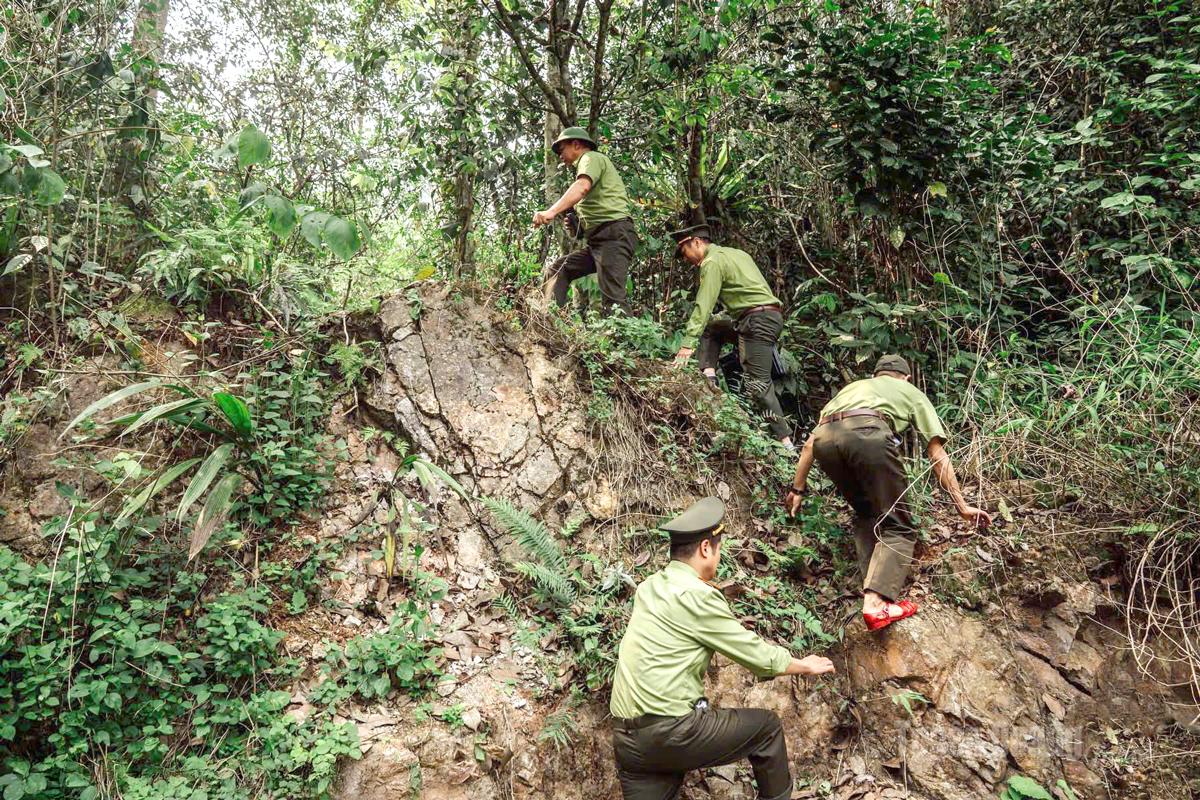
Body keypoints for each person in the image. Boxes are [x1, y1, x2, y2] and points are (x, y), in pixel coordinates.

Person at [610, 497, 835, 800]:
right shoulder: (698, 595)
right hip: (671, 733)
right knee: (767, 729)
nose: (718, 556)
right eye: (718, 549)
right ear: (705, 548)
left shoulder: (650, 587)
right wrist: (803, 664)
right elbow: (753, 653)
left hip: (628, 740)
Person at [784, 355, 992, 631]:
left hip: (826, 440)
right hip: (867, 434)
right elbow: (936, 453)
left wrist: (797, 488)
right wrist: (962, 505)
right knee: (899, 525)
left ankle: (870, 584)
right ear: (905, 377)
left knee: (869, 513)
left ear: (877, 374)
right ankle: (876, 604)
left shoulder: (851, 389)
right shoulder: (910, 391)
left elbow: (810, 444)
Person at [669, 225, 792, 445]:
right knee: (714, 326)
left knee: (758, 385)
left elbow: (703, 305)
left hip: (756, 322)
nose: (686, 259)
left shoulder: (712, 263)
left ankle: (787, 444)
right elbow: (749, 291)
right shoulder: (738, 254)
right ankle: (709, 377)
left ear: (696, 242)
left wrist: (687, 344)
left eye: (685, 251)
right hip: (764, 317)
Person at [532, 126, 637, 316]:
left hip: (614, 235)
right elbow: (596, 208)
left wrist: (551, 212)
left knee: (613, 301)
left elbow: (582, 188)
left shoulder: (591, 158)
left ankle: (626, 343)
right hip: (599, 240)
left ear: (576, 144)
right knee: (559, 270)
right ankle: (547, 321)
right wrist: (578, 227)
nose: (560, 156)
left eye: (561, 149)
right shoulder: (589, 165)